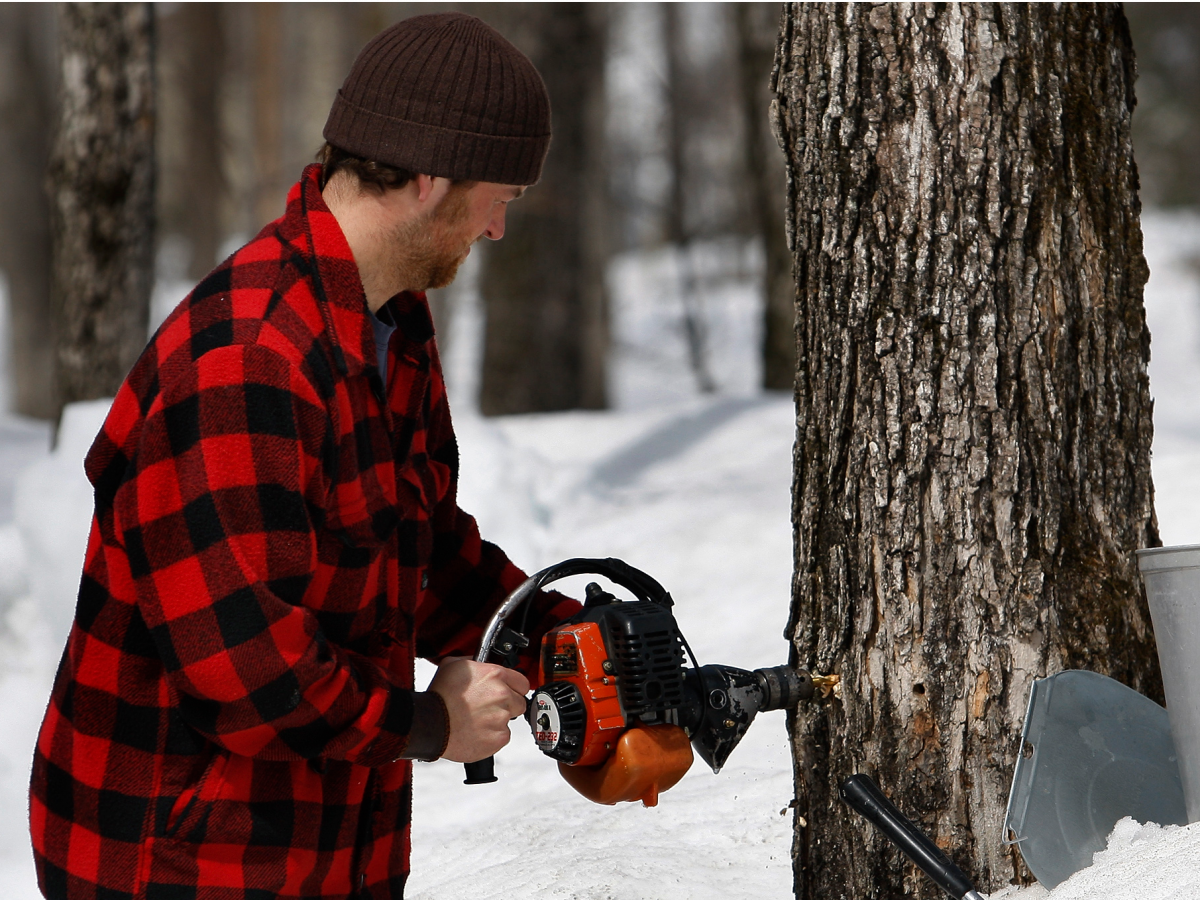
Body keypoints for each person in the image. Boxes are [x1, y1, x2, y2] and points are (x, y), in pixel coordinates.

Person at [29, 13, 580, 900]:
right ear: (433, 177)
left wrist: (556, 632)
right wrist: (431, 724)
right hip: (178, 861)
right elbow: (244, 666)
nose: (496, 230)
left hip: (317, 848)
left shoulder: (386, 321)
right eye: (500, 197)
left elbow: (419, 547)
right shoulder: (247, 361)